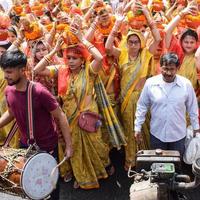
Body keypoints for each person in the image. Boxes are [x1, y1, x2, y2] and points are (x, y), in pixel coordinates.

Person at [0, 49, 73, 200]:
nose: (6, 75)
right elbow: (11, 113)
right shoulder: (9, 90)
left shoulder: (39, 92)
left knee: (49, 186)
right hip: (25, 145)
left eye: (9, 72)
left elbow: (61, 116)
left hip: (47, 146)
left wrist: (69, 146)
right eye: (4, 71)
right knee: (29, 186)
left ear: (22, 70)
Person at [134, 53, 200, 158]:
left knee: (176, 165)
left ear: (178, 68)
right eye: (165, 69)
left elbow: (192, 108)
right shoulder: (150, 83)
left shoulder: (186, 85)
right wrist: (137, 127)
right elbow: (142, 106)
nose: (168, 73)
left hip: (178, 136)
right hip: (157, 135)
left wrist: (196, 128)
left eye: (172, 69)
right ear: (160, 67)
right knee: (158, 165)